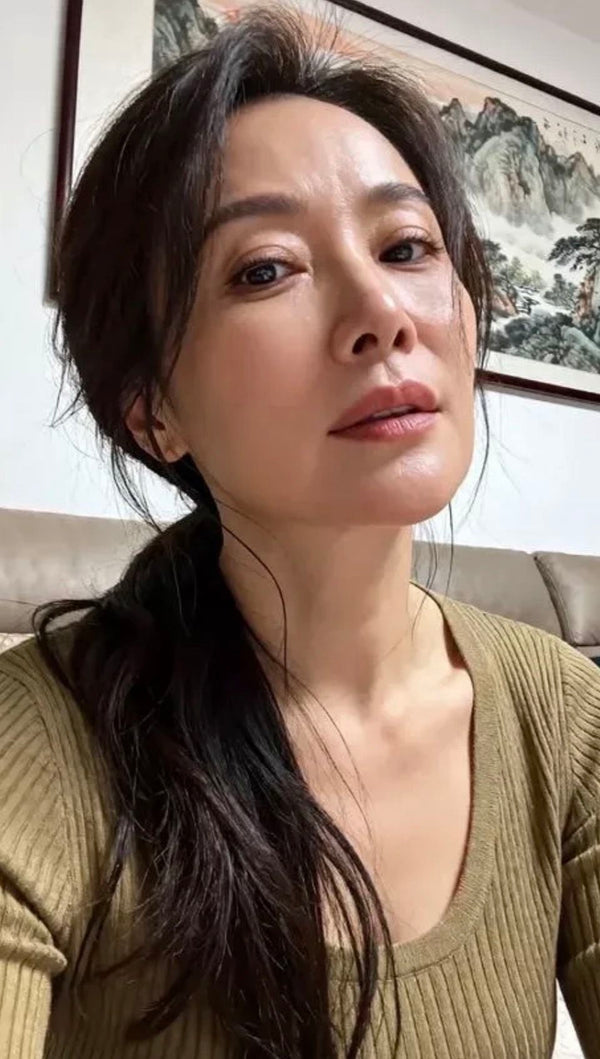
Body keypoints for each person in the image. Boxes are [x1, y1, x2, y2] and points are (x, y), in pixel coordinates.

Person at [0, 6, 599, 1058]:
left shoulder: (564, 713)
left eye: (407, 247)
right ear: (152, 409)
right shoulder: (38, 747)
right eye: (265, 269)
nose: (382, 311)